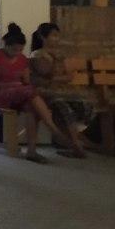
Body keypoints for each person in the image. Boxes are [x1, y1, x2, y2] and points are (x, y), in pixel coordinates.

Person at [0, 23, 79, 163]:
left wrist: (25, 84)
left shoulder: (22, 59)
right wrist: (11, 84)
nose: (17, 53)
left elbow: (26, 81)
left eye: (20, 50)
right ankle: (54, 130)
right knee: (30, 93)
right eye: (14, 49)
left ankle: (32, 150)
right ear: (6, 45)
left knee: (31, 106)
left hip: (21, 93)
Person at [28, 22, 90, 158]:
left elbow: (69, 76)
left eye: (58, 36)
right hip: (44, 92)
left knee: (84, 105)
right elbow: (46, 73)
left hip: (60, 90)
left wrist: (57, 77)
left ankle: (76, 141)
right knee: (63, 106)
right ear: (43, 38)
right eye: (54, 36)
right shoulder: (37, 55)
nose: (57, 39)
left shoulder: (60, 55)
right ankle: (75, 144)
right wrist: (55, 65)